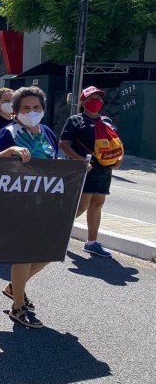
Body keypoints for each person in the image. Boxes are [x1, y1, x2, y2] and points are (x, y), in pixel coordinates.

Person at [0, 86, 59, 329]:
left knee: (50, 251)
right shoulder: (9, 133)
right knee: (26, 254)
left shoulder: (48, 133)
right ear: (16, 111)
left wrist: (78, 169)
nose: (32, 112)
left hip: (45, 203)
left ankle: (13, 287)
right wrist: (9, 152)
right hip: (17, 205)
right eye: (26, 108)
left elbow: (55, 165)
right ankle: (17, 307)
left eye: (37, 107)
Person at [59, 86, 123, 258]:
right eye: (92, 99)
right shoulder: (75, 120)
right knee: (82, 205)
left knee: (98, 203)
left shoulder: (107, 121)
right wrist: (80, 161)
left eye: (99, 99)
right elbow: (64, 144)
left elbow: (116, 143)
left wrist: (118, 161)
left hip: (104, 169)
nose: (96, 102)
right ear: (83, 102)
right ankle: (56, 230)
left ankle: (92, 243)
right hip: (85, 169)